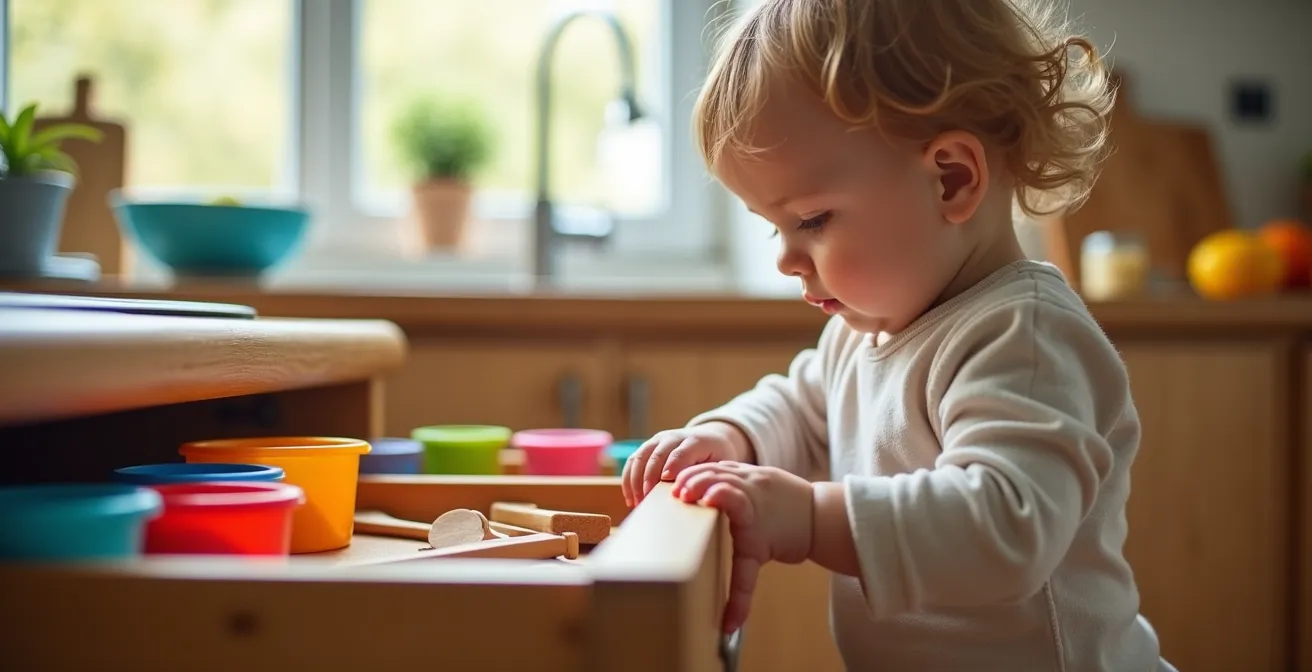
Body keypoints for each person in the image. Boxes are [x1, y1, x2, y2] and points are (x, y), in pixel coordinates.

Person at [620, 0, 1177, 670]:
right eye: (776, 227)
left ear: (951, 178)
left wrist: (807, 518)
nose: (786, 259)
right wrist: (731, 436)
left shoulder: (1022, 335)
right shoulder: (865, 332)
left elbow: (1006, 525)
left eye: (814, 220)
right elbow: (799, 409)